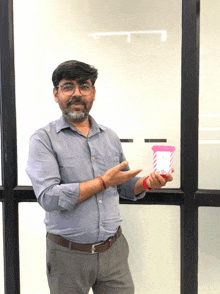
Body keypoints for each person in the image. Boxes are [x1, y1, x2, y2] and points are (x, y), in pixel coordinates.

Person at [26, 60, 174, 294]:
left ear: (93, 93)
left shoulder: (110, 137)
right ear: (56, 94)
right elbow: (49, 197)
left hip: (114, 251)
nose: (76, 94)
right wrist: (103, 182)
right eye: (68, 87)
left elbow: (122, 186)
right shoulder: (43, 139)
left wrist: (147, 183)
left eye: (84, 86)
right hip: (68, 256)